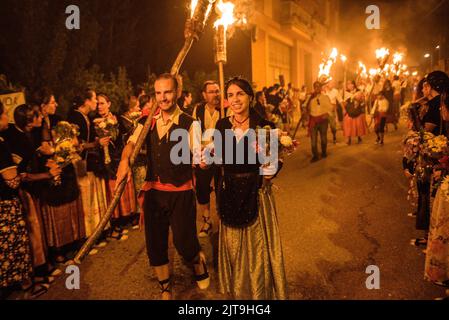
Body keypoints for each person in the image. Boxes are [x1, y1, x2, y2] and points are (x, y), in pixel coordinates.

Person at [116, 73, 209, 300]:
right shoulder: (146, 122)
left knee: (184, 243)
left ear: (177, 92)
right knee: (155, 245)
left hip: (181, 193)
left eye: (167, 92)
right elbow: (131, 145)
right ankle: (165, 287)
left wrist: (203, 159)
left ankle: (198, 262)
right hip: (154, 193)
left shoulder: (190, 123)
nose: (163, 98)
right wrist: (123, 160)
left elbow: (199, 154)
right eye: (158, 93)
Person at [213, 77, 288, 299]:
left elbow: (275, 161)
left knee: (257, 252)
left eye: (240, 94)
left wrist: (271, 170)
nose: (234, 99)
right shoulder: (222, 125)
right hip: (229, 193)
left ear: (250, 97)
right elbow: (218, 158)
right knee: (233, 248)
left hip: (256, 194)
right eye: (230, 95)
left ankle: (258, 295)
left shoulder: (264, 127)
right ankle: (239, 294)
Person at [67, 90, 109, 246]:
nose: (97, 104)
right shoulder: (75, 117)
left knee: (93, 199)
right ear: (86, 101)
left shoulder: (86, 117)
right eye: (94, 100)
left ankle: (97, 233)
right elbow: (75, 145)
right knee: (86, 201)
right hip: (80, 164)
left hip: (90, 163)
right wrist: (96, 143)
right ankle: (88, 237)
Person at [97, 93, 136, 240]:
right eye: (98, 104)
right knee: (110, 189)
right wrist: (98, 143)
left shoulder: (118, 119)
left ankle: (125, 218)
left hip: (119, 157)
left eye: (102, 103)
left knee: (122, 185)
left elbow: (131, 130)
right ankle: (114, 222)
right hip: (105, 161)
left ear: (109, 104)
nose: (99, 106)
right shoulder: (95, 121)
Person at [192, 81, 221, 237]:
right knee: (202, 188)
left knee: (221, 186)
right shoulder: (198, 109)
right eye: (211, 91)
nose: (215, 94)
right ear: (204, 94)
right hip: (203, 153)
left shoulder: (225, 109)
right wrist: (197, 156)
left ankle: (223, 220)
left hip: (221, 153)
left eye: (217, 91)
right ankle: (207, 220)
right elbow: (194, 132)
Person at [307, 81, 333, 162]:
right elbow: (305, 106)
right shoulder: (310, 98)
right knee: (313, 140)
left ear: (321, 88)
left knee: (323, 138)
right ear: (314, 88)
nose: (317, 88)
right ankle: (315, 155)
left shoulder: (325, 97)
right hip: (313, 121)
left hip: (323, 121)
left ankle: (324, 152)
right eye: (315, 87)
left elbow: (330, 108)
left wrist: (327, 114)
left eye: (318, 86)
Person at [343, 81, 367, 145]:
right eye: (348, 84)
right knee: (348, 125)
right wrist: (345, 108)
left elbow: (363, 100)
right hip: (349, 110)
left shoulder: (359, 91)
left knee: (357, 125)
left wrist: (359, 101)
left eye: (350, 84)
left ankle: (359, 137)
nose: (348, 85)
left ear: (353, 85)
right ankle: (349, 139)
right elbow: (345, 102)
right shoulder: (346, 92)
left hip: (357, 110)